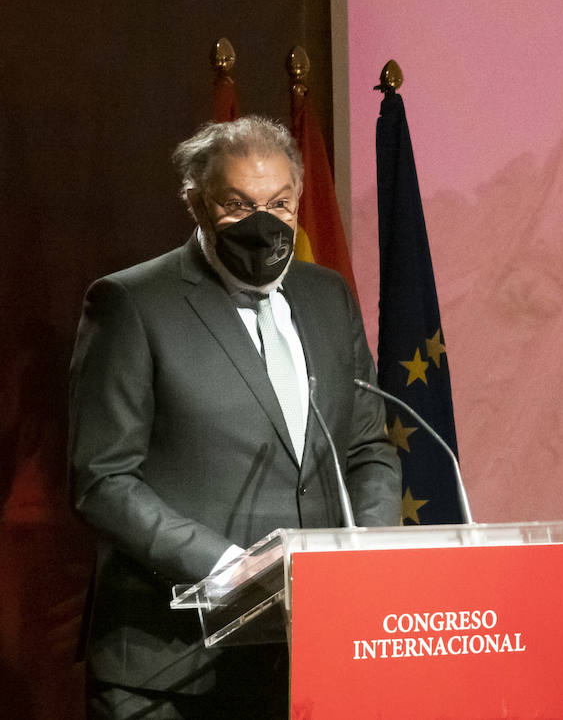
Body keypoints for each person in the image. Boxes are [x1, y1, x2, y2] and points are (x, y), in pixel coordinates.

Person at [68, 115, 401, 718]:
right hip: (169, 666)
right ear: (196, 205)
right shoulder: (131, 304)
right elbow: (103, 478)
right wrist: (230, 567)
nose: (264, 223)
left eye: (280, 202)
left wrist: (368, 553)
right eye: (238, 204)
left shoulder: (328, 297)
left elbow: (367, 448)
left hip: (308, 657)